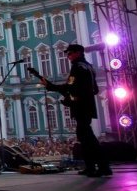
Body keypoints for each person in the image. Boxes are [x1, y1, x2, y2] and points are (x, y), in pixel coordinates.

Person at [39, 44, 111, 177]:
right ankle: (98, 167)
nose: (68, 56)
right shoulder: (89, 67)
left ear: (78, 53)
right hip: (87, 106)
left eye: (70, 53)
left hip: (80, 107)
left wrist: (50, 86)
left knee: (87, 138)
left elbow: (70, 87)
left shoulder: (77, 67)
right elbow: (94, 89)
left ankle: (98, 167)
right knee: (87, 138)